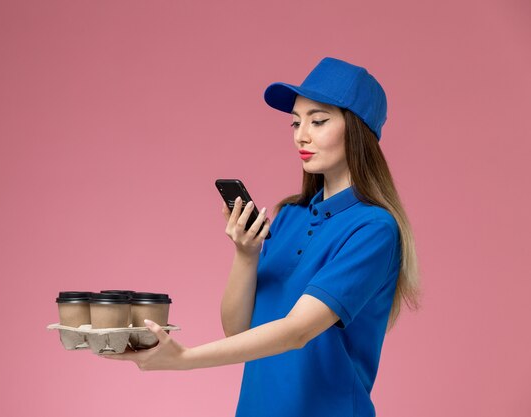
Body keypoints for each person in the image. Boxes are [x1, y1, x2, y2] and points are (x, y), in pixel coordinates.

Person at [100, 56, 421, 416]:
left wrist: (185, 358)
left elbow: (297, 331)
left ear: (358, 130)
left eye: (318, 121)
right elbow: (237, 331)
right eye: (296, 122)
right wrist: (246, 254)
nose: (302, 134)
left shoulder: (373, 229)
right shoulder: (288, 217)